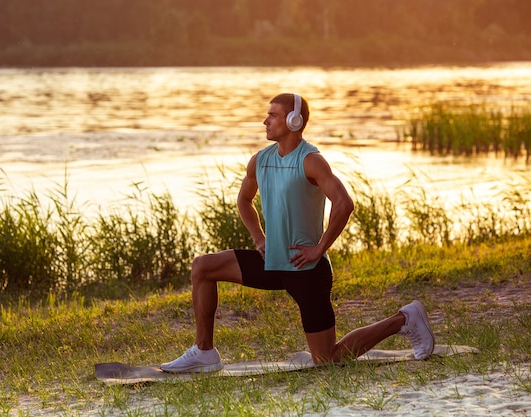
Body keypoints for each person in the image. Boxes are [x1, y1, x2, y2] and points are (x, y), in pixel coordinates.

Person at [160, 93, 434, 373]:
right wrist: (258, 238)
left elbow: (343, 204)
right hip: (272, 262)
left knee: (327, 359)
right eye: (268, 115)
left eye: (273, 115)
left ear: (294, 121)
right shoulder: (260, 161)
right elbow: (244, 201)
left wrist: (319, 248)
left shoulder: (311, 161)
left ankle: (404, 319)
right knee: (203, 267)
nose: (265, 121)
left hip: (306, 269)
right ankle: (204, 352)